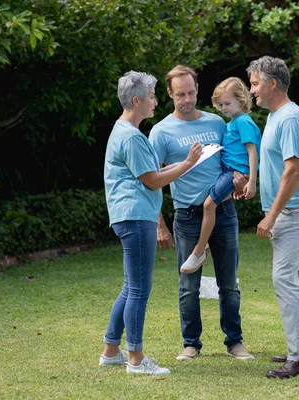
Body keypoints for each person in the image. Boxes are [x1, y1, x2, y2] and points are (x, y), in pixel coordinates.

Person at [149, 65, 254, 362]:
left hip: (224, 211)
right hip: (187, 216)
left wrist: (240, 178)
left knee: (229, 283)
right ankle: (191, 343)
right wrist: (160, 225)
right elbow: (151, 179)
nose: (187, 99)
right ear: (170, 94)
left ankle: (235, 342)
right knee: (188, 285)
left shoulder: (217, 123)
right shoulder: (160, 132)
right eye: (180, 94)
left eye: (192, 92)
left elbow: (233, 161)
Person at [100, 71, 203, 375]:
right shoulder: (130, 136)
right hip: (136, 217)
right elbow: (153, 180)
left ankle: (111, 351)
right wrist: (186, 164)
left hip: (129, 216)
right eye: (152, 96)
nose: (157, 102)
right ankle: (135, 359)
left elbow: (151, 171)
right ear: (136, 100)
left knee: (131, 286)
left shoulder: (125, 131)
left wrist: (187, 162)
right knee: (139, 290)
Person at [246, 56, 299, 379]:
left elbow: (294, 170)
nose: (252, 90)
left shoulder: (290, 118)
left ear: (272, 83)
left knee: (284, 279)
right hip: (290, 210)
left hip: (294, 211)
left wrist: (271, 216)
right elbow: (277, 166)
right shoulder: (278, 117)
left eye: (255, 83)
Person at [180, 77, 261, 274]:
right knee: (211, 200)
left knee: (209, 205)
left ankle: (198, 251)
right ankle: (206, 242)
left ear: (241, 101)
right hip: (227, 171)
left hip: (235, 172)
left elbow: (252, 151)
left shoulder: (243, 122)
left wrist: (252, 181)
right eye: (221, 104)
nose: (223, 108)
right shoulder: (234, 122)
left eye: (227, 103)